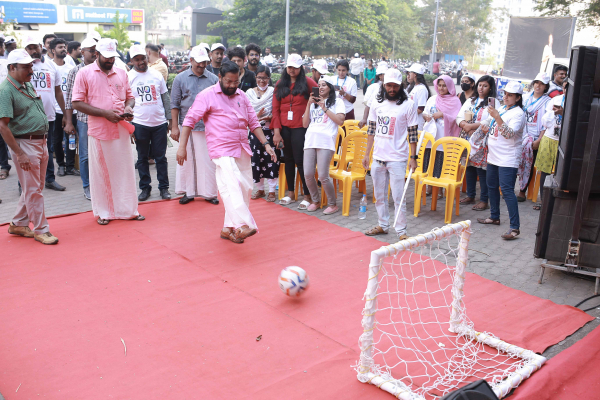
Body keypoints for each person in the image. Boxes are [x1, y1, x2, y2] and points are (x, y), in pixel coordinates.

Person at [176, 61, 277, 244]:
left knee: (245, 188)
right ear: (220, 77)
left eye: (235, 82)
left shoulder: (242, 96)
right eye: (228, 81)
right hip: (221, 149)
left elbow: (253, 122)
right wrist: (182, 147)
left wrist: (266, 144)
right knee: (233, 183)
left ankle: (227, 229)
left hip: (242, 147)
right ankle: (242, 225)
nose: (232, 85)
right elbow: (189, 121)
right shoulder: (206, 95)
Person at [72, 38, 144, 225]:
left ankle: (129, 210)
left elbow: (130, 97)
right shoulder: (84, 73)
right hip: (99, 130)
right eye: (107, 57)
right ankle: (105, 212)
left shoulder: (121, 72)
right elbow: (77, 103)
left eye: (113, 57)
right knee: (102, 172)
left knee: (125, 170)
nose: (110, 61)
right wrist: (104, 114)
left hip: (121, 128)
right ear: (96, 54)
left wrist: (128, 108)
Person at [0, 49, 59, 244]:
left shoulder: (25, 84)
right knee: (34, 189)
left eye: (31, 66)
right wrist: (19, 153)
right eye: (26, 67)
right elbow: (2, 125)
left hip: (39, 142)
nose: (31, 70)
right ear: (12, 68)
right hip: (25, 145)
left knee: (34, 187)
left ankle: (18, 222)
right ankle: (41, 229)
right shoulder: (6, 90)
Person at [363, 69, 418, 240]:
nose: (392, 89)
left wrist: (413, 158)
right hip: (378, 157)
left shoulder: (408, 104)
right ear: (384, 85)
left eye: (395, 86)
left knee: (398, 198)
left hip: (398, 159)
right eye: (389, 85)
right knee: (379, 196)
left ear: (401, 85)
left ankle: (401, 232)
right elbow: (371, 129)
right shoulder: (376, 103)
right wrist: (367, 154)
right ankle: (383, 224)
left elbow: (413, 132)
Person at [170, 45, 219, 205]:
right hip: (187, 127)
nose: (202, 65)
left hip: (207, 127)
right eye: (198, 62)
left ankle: (210, 193)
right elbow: (175, 104)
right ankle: (188, 193)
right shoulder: (180, 78)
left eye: (205, 62)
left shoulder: (213, 79)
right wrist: (175, 127)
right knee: (187, 161)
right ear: (191, 60)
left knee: (209, 162)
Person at [478, 80, 526, 240]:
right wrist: (489, 127)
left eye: (510, 95)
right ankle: (494, 216)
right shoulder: (504, 109)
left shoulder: (518, 114)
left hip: (508, 158)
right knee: (491, 186)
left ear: (517, 98)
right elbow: (496, 128)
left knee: (507, 191)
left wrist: (497, 117)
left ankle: (514, 227)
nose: (506, 97)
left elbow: (509, 133)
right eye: (505, 94)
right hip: (493, 156)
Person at [271, 53, 318, 209]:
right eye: (289, 67)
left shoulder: (308, 82)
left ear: (301, 68)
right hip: (284, 128)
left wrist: (315, 111)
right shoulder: (279, 84)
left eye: (295, 68)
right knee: (288, 160)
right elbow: (275, 109)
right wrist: (277, 133)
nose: (292, 70)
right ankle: (291, 193)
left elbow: (320, 95)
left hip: (301, 128)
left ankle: (307, 195)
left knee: (301, 160)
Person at [128, 44, 172, 201]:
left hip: (159, 123)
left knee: (161, 158)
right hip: (140, 124)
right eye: (137, 59)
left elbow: (165, 98)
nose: (141, 62)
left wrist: (170, 120)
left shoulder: (156, 74)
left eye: (143, 58)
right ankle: (145, 188)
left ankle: (164, 188)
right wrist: (130, 126)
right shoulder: (129, 77)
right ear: (132, 61)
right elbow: (126, 102)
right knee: (142, 158)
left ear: (147, 57)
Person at [25, 36, 67, 192]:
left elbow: (58, 92)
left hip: (48, 116)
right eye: (29, 48)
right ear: (25, 50)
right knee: (28, 150)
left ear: (40, 46)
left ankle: (49, 179)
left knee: (47, 150)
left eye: (35, 47)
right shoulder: (23, 67)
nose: (33, 51)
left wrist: (66, 115)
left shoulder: (51, 65)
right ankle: (24, 184)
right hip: (28, 117)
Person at [302, 76, 345, 214]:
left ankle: (333, 204)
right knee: (308, 174)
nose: (320, 88)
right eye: (319, 85)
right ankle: (315, 201)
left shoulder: (337, 102)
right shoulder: (313, 102)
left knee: (323, 176)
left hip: (325, 141)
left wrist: (324, 107)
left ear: (330, 88)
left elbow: (340, 121)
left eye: (324, 85)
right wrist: (309, 104)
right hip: (310, 140)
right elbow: (304, 124)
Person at [456, 75, 497, 211]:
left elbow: (491, 120)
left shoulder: (493, 103)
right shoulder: (471, 101)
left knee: (482, 170)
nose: (481, 88)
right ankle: (470, 195)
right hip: (468, 138)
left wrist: (472, 126)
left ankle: (484, 200)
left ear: (490, 88)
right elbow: (459, 115)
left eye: (485, 86)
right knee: (469, 168)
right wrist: (464, 125)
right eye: (480, 85)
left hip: (482, 141)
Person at [64, 38, 97, 200]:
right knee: (85, 155)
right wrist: (69, 122)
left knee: (101, 153)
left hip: (103, 119)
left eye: (95, 50)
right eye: (90, 50)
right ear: (82, 52)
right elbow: (69, 99)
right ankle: (87, 186)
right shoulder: (74, 72)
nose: (94, 53)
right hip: (84, 120)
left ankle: (100, 184)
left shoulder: (103, 69)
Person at [422, 75, 462, 194]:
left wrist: (443, 115)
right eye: (439, 85)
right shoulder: (433, 98)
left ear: (449, 86)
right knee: (429, 160)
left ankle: (438, 190)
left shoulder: (455, 101)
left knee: (440, 160)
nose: (441, 88)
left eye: (444, 85)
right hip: (431, 136)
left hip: (444, 136)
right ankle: (429, 186)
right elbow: (425, 112)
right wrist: (426, 117)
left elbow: (457, 118)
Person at [246, 65, 279, 202]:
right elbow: (246, 112)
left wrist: (268, 117)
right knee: (255, 161)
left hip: (269, 131)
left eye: (265, 78)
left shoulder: (273, 92)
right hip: (253, 132)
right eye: (259, 77)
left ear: (269, 79)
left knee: (271, 160)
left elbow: (276, 111)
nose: (262, 80)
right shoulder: (249, 93)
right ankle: (260, 189)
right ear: (255, 78)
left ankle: (272, 191)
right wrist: (256, 116)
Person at [516, 72, 550, 201]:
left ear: (546, 86)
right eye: (537, 82)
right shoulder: (525, 98)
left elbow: (546, 124)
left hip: (535, 138)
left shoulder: (548, 102)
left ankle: (522, 190)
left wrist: (539, 140)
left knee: (528, 164)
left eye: (542, 84)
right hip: (521, 135)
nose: (538, 86)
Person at [534, 80, 566, 210]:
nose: (566, 90)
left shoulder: (575, 102)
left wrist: (564, 114)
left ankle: (557, 203)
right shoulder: (555, 100)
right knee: (545, 171)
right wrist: (554, 113)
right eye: (564, 87)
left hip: (563, 141)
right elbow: (545, 123)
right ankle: (543, 201)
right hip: (549, 138)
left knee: (561, 172)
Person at [49, 37, 79, 177]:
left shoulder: (71, 67)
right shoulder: (49, 66)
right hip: (55, 110)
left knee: (71, 138)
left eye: (64, 46)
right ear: (53, 50)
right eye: (60, 47)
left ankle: (70, 166)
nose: (63, 49)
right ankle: (60, 165)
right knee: (56, 139)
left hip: (70, 109)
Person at [358, 62, 388, 129]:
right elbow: (367, 104)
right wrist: (364, 119)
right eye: (385, 74)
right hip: (374, 119)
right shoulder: (375, 88)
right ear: (379, 76)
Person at [406, 63, 430, 131]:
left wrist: (407, 116)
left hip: (417, 123)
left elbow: (421, 108)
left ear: (415, 74)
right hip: (411, 121)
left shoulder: (421, 88)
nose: (409, 74)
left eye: (410, 72)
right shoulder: (414, 87)